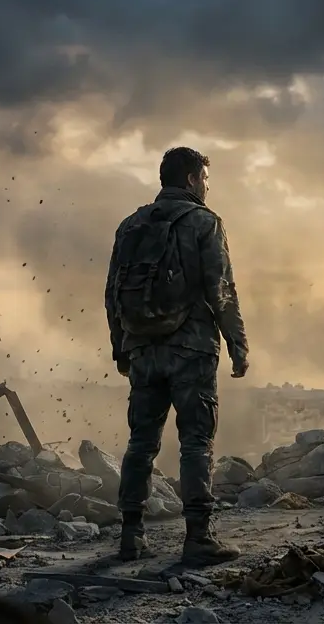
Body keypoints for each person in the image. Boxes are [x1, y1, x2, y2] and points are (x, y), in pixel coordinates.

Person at [105, 146, 250, 566]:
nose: (207, 186)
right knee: (196, 441)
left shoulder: (131, 225)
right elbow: (220, 289)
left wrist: (121, 345)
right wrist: (238, 346)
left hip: (143, 349)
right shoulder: (204, 222)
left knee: (140, 443)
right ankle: (198, 537)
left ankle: (131, 536)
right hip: (192, 349)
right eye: (204, 178)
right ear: (190, 179)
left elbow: (112, 292)